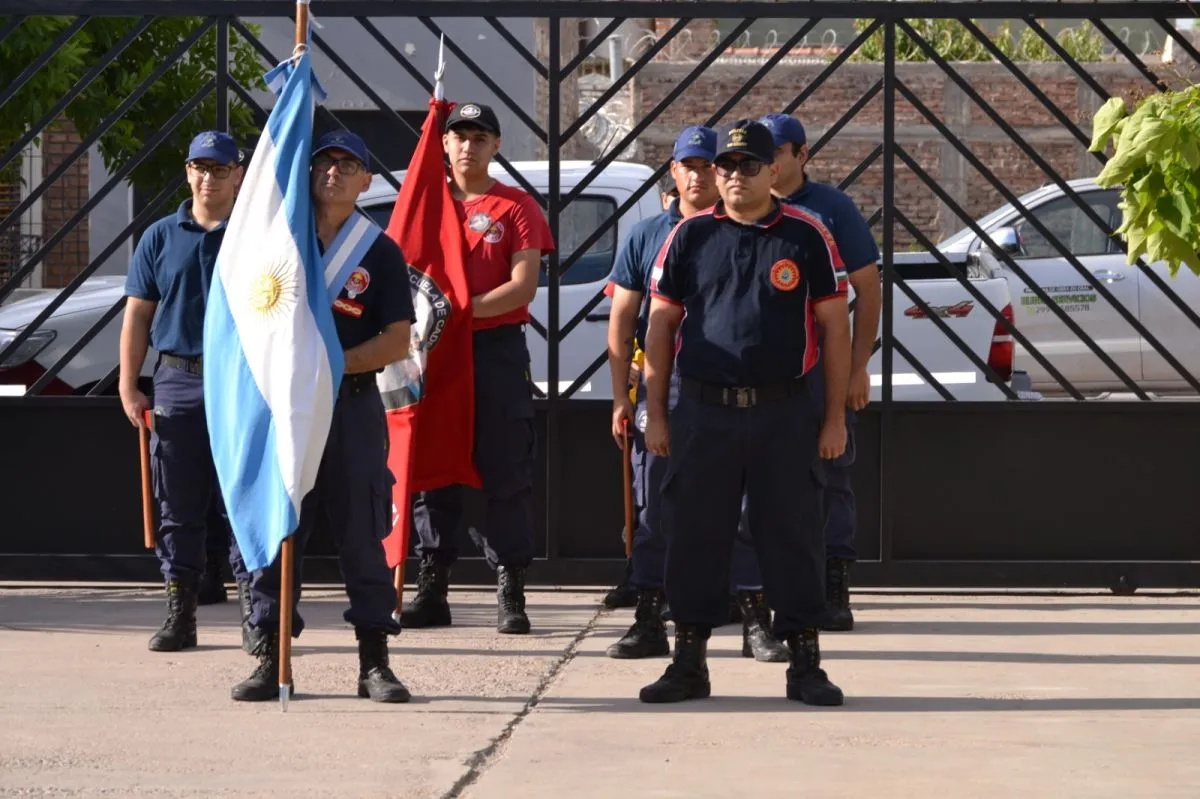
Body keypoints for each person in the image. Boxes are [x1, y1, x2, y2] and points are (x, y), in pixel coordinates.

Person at [639, 119, 852, 706]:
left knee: (793, 535)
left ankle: (805, 663)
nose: (733, 176)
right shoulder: (688, 237)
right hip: (704, 412)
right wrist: (656, 413)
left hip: (785, 412)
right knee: (694, 535)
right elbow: (660, 326)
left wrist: (833, 418)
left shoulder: (806, 235)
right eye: (723, 166)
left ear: (774, 170)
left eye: (748, 165)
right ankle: (688, 662)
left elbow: (835, 329)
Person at [231, 130, 416, 704]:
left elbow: (395, 341)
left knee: (362, 532)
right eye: (324, 162)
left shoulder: (378, 251)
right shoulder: (279, 240)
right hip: (283, 409)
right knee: (280, 527)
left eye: (348, 164)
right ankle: (271, 655)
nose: (333, 172)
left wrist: (332, 368)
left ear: (366, 180)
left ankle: (374, 663)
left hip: (350, 407)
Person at [605, 125, 788, 664]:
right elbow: (625, 322)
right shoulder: (650, 236)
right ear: (674, 171)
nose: (702, 174)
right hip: (671, 385)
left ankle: (757, 619)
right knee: (659, 507)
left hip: (736, 386)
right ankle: (649, 617)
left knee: (745, 511)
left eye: (711, 165)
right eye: (691, 165)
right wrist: (627, 398)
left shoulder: (746, 229)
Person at [400, 102, 555, 635]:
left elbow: (522, 286)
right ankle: (432, 585)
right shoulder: (426, 204)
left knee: (505, 471)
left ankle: (510, 588)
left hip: (494, 353)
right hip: (435, 352)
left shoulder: (516, 208)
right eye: (458, 135)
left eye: (480, 136)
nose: (468, 145)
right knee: (434, 471)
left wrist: (456, 312)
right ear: (443, 144)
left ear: (496, 146)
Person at [119, 130, 258, 654]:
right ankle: (181, 612)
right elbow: (138, 314)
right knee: (177, 503)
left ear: (238, 175)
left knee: (239, 500)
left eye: (220, 169)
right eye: (200, 167)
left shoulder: (256, 234)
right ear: (187, 171)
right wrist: (129, 383)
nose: (208, 178)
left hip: (240, 379)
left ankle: (255, 612)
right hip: (177, 379)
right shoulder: (160, 236)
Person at [759, 112, 882, 632]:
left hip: (819, 371)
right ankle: (758, 589)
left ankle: (834, 582)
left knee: (829, 476)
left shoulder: (831, 209)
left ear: (800, 155)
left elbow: (869, 289)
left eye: (776, 154)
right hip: (761, 373)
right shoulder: (743, 208)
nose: (765, 165)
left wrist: (857, 369)